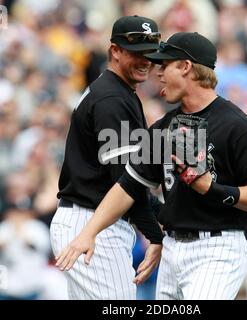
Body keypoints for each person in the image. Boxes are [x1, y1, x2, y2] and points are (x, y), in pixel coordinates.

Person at [55, 32, 247, 300]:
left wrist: (212, 189)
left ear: (186, 67)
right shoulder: (163, 128)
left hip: (217, 249)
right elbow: (128, 186)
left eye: (165, 65)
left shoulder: (239, 127)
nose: (157, 73)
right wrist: (88, 233)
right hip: (172, 251)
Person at [50, 15, 164, 300]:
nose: (145, 61)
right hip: (93, 224)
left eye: (150, 54)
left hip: (93, 220)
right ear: (115, 51)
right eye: (137, 53)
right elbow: (127, 182)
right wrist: (157, 231)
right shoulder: (112, 98)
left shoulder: (118, 92)